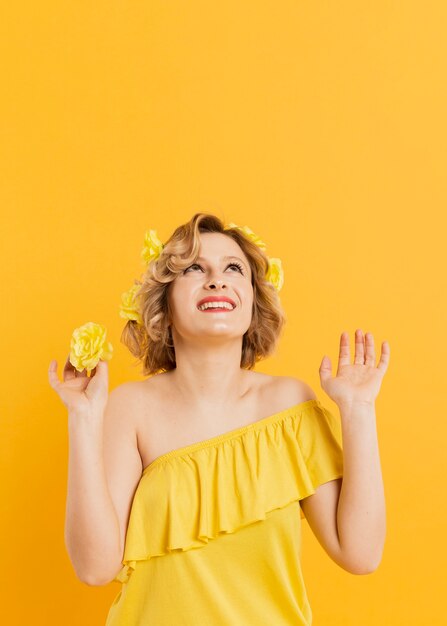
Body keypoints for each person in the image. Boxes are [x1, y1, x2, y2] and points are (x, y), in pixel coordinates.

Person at [48, 212, 390, 625]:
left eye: (233, 268)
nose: (217, 280)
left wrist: (358, 411)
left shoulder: (289, 405)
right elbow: (94, 568)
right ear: (166, 304)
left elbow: (361, 553)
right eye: (195, 268)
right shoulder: (130, 408)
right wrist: (83, 419)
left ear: (252, 299)